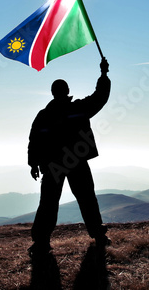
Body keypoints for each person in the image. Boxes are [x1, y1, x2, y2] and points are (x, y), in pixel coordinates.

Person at [27, 58, 111, 258]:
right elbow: (100, 97)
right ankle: (98, 235)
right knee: (86, 200)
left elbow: (34, 140)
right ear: (66, 91)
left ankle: (41, 243)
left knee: (49, 203)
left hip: (54, 164)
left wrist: (33, 164)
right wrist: (104, 74)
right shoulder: (77, 108)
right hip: (75, 161)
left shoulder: (44, 115)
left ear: (54, 92)